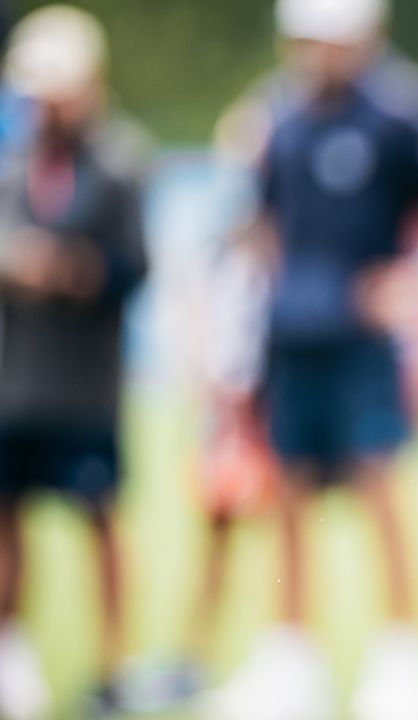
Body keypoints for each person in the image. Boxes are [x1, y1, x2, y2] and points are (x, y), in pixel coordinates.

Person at [199, 0, 418, 717]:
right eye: (307, 40)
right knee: (288, 494)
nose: (319, 54)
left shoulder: (403, 112)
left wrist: (416, 281)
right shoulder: (275, 115)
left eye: (332, 40)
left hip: (363, 344)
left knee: (379, 489)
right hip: (290, 337)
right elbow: (260, 220)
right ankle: (291, 662)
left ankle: (405, 664)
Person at [0, 6, 148, 717]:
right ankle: (12, 653)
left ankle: (112, 665)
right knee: (9, 524)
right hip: (17, 377)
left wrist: (70, 272)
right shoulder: (13, 167)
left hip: (86, 383)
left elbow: (133, 267)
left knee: (99, 521)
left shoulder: (119, 164)